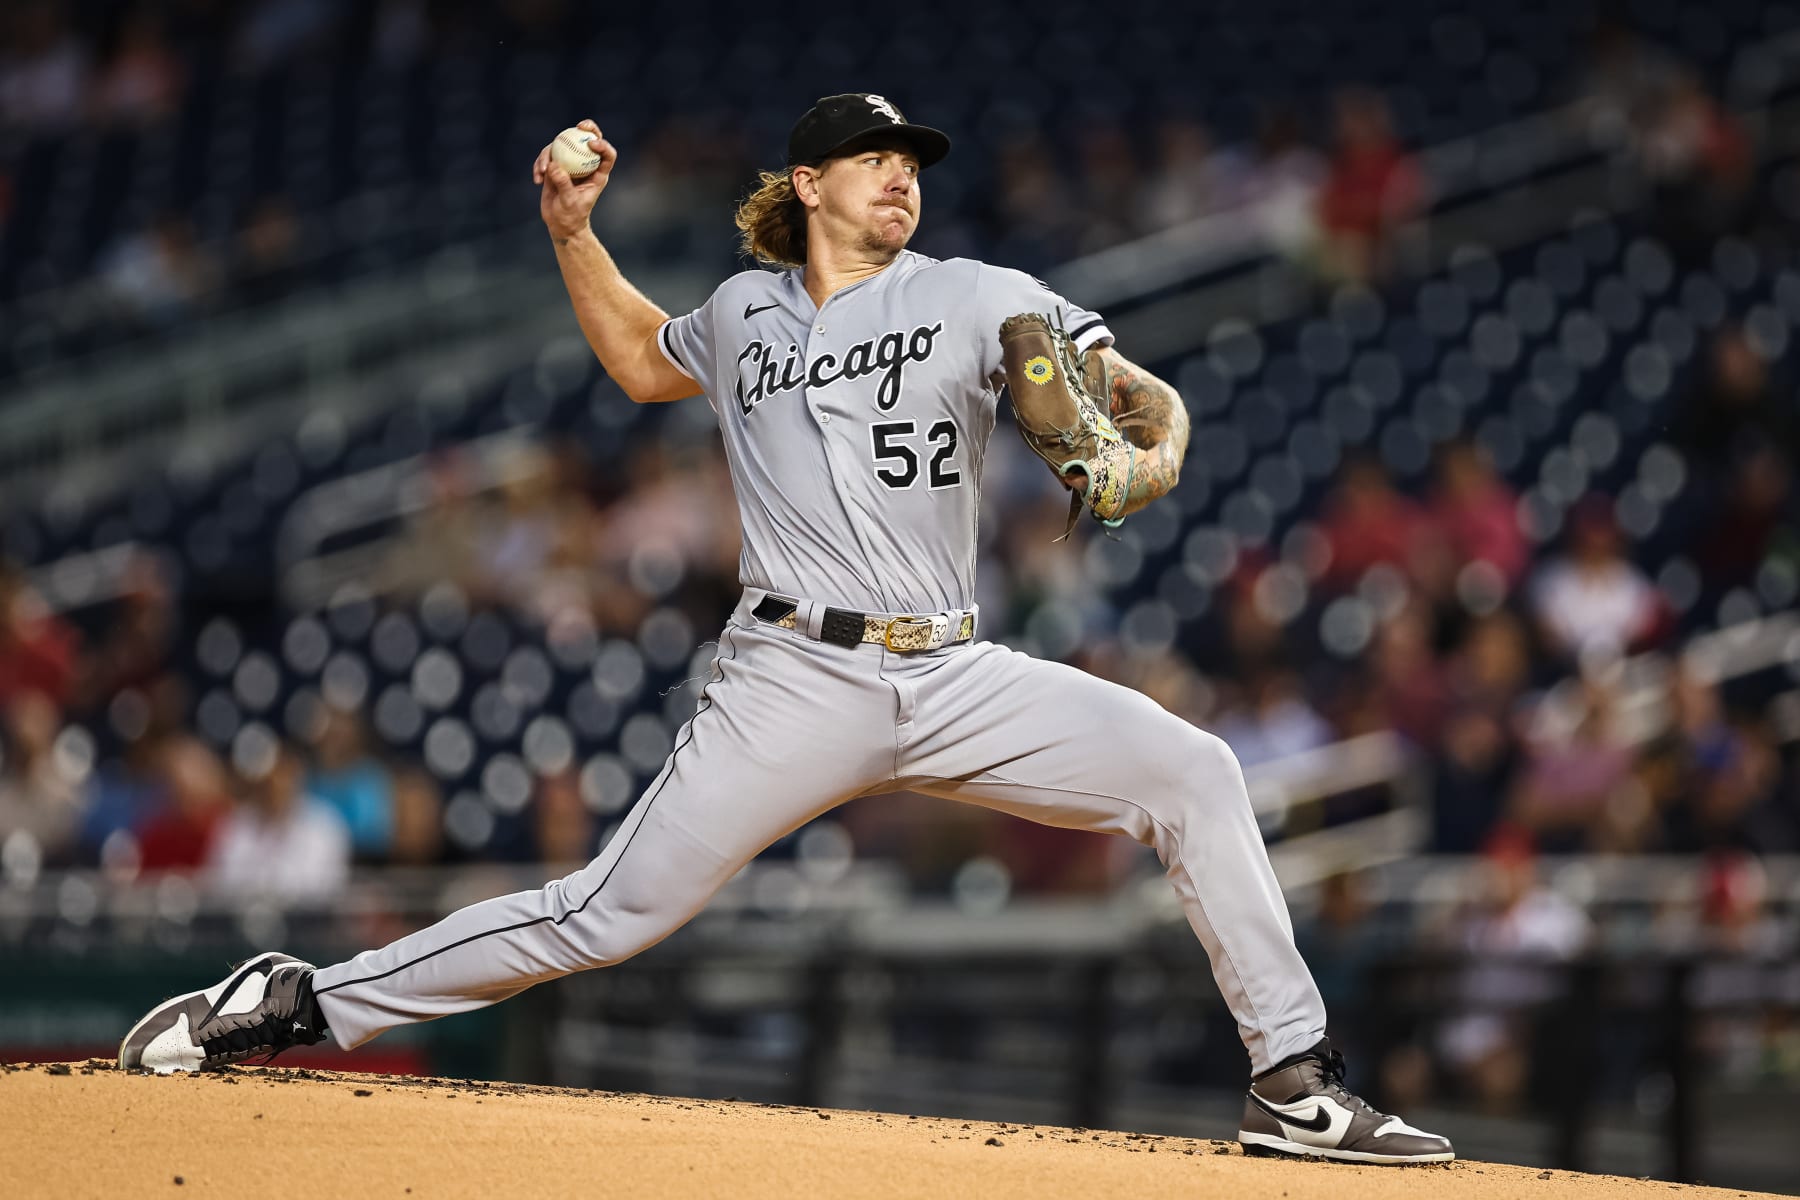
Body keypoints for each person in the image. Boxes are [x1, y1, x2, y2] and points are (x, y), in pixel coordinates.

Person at [117, 94, 1452, 1164]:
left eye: (912, 163)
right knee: (606, 915)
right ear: (807, 183)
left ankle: (1293, 1081)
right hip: (791, 676)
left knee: (1195, 771)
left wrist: (1150, 429)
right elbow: (640, 357)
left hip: (953, 668)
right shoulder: (743, 310)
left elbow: (1108, 380)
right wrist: (573, 232)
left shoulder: (975, 291)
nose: (901, 177)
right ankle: (299, 1000)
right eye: (874, 159)